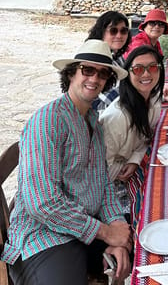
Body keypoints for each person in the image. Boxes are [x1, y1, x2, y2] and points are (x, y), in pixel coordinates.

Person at [2, 40, 132, 285]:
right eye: (88, 70)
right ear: (72, 73)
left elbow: (104, 184)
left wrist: (118, 234)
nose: (95, 78)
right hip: (44, 235)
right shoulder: (48, 121)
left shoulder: (93, 119)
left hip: (86, 226)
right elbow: (41, 203)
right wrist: (106, 233)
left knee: (144, 245)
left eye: (103, 73)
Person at [100, 45, 164, 216]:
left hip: (127, 168)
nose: (146, 74)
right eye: (137, 69)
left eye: (152, 67)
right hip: (107, 187)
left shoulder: (153, 102)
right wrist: (122, 167)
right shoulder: (117, 117)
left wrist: (135, 159)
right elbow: (101, 168)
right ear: (128, 73)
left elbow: (145, 139)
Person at [126, 9, 168, 103]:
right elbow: (137, 79)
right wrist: (160, 95)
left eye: (161, 24)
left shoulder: (155, 43)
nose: (157, 26)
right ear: (145, 26)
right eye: (152, 23)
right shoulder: (139, 45)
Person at [88, 10, 132, 112]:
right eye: (113, 31)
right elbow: (102, 100)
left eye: (123, 31)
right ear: (101, 32)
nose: (119, 35)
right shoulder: (96, 59)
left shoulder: (117, 57)